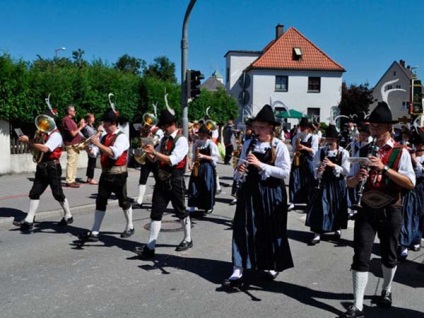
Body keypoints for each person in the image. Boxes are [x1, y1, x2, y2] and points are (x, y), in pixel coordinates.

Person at [342, 101, 415, 318]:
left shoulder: (401, 152)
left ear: (387, 128)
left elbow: (409, 182)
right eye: (371, 126)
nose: (372, 130)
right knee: (360, 255)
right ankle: (357, 305)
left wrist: (384, 168)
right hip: (366, 209)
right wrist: (357, 178)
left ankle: (386, 289)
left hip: (391, 209)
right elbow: (349, 183)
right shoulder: (364, 149)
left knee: (389, 256)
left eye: (376, 127)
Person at [222, 104, 293, 289]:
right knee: (243, 227)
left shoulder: (280, 146)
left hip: (271, 193)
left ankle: (271, 265)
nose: (257, 130)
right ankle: (238, 269)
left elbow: (285, 172)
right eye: (256, 126)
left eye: (262, 127)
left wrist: (262, 166)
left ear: (271, 127)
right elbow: (241, 168)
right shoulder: (249, 143)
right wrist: (240, 170)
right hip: (250, 191)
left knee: (269, 229)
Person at [135, 106, 191, 260]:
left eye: (165, 126)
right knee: (156, 213)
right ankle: (150, 247)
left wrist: (155, 153)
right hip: (161, 180)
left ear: (172, 124)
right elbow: (156, 158)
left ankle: (188, 238)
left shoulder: (182, 140)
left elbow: (173, 160)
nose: (164, 129)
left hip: (175, 180)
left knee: (180, 211)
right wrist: (149, 154)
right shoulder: (164, 139)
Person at [78, 108, 134, 242]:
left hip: (119, 174)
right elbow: (96, 153)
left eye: (106, 124)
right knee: (101, 201)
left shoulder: (122, 137)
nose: (103, 126)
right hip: (105, 174)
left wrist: (97, 144)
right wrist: (89, 148)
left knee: (123, 201)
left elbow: (114, 154)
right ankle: (95, 231)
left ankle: (130, 226)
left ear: (113, 123)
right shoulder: (104, 137)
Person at [13, 111, 74, 231]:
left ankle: (68, 215)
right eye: (41, 122)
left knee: (57, 194)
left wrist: (29, 142)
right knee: (34, 192)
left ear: (51, 121)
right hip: (42, 167)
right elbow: (38, 146)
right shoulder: (43, 133)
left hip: (53, 168)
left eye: (45, 122)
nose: (42, 125)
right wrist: (30, 141)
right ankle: (29, 220)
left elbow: (45, 148)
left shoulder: (56, 135)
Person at [306, 124, 350, 245]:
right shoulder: (321, 151)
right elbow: (314, 167)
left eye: (332, 139)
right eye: (328, 138)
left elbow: (346, 171)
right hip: (324, 183)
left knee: (337, 207)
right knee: (320, 207)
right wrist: (319, 170)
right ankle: (317, 233)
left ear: (336, 139)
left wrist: (333, 165)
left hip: (337, 184)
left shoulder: (343, 152)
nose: (329, 141)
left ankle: (337, 229)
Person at [398, 128, 424, 260]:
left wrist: (416, 161)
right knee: (407, 215)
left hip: (421, 189)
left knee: (420, 216)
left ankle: (416, 240)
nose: (419, 147)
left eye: (421, 145)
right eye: (417, 144)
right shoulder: (408, 154)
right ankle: (403, 245)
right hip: (409, 189)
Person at [187, 124, 219, 216]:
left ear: (207, 135)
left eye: (203, 135)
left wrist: (204, 156)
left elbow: (215, 158)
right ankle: (192, 205)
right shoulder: (196, 143)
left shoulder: (211, 144)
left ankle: (208, 206)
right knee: (194, 184)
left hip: (207, 167)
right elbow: (193, 155)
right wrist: (192, 163)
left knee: (207, 185)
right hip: (198, 166)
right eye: (200, 135)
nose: (201, 136)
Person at [288, 117, 319, 210]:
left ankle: (309, 200)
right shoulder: (296, 137)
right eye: (301, 127)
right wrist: (295, 151)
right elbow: (293, 150)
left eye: (304, 128)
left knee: (309, 180)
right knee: (295, 179)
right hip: (298, 159)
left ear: (308, 128)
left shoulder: (313, 137)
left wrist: (304, 148)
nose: (302, 129)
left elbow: (314, 151)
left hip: (309, 160)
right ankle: (293, 201)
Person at [135, 118, 163, 207]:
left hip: (155, 157)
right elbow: (142, 144)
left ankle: (157, 199)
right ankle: (139, 200)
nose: (146, 126)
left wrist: (147, 136)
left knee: (158, 179)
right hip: (146, 157)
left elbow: (154, 142)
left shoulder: (158, 131)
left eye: (148, 124)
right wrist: (143, 135)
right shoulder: (145, 131)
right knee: (143, 178)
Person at [62, 105, 86, 188]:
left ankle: (72, 179)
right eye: (74, 111)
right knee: (71, 162)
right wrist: (81, 127)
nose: (75, 112)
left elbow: (75, 130)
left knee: (74, 162)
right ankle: (69, 180)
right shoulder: (67, 120)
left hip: (75, 144)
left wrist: (80, 124)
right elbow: (72, 133)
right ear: (69, 112)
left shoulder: (71, 120)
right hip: (71, 144)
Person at [81, 113, 100, 185]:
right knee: (92, 162)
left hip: (93, 146)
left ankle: (89, 178)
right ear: (88, 119)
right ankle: (90, 178)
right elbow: (92, 137)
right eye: (92, 117)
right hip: (91, 146)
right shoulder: (87, 127)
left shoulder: (91, 126)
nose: (94, 118)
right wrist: (99, 132)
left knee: (91, 162)